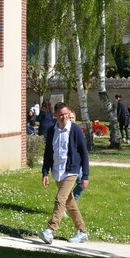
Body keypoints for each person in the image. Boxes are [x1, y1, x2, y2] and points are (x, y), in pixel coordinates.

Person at [38, 102, 90, 244]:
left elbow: (84, 153)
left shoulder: (75, 130)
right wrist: (45, 173)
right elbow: (48, 153)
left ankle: (50, 230)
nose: (64, 117)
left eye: (66, 114)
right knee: (69, 202)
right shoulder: (51, 130)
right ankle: (82, 231)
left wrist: (85, 175)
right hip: (57, 171)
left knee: (60, 198)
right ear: (55, 115)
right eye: (61, 114)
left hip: (71, 170)